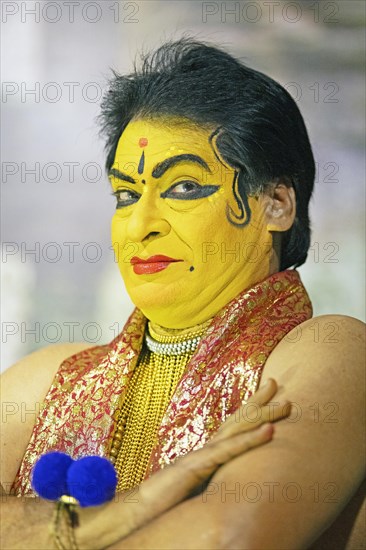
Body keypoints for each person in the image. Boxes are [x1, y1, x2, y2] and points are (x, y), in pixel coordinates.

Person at [1, 39, 364, 549]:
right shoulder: (47, 380)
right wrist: (141, 506)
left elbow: (225, 537)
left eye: (184, 188)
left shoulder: (331, 353)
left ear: (277, 205)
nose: (141, 224)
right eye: (127, 195)